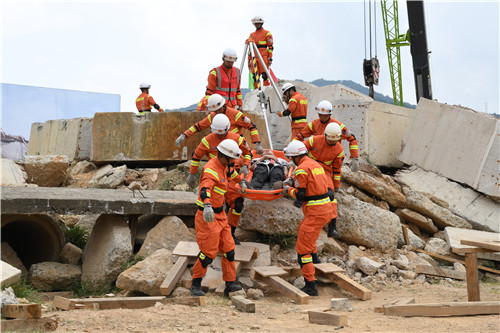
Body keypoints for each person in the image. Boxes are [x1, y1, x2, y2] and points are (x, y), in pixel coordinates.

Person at [190, 139, 244, 297]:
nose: (234, 162)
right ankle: (195, 284)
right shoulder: (210, 170)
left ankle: (230, 284)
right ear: (225, 156)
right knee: (208, 253)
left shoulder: (225, 166)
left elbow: (232, 174)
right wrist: (207, 205)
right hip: (208, 216)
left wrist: (242, 182)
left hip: (221, 215)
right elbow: (204, 189)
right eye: (232, 159)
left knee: (229, 250)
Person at [282, 140, 335, 296]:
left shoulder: (301, 169)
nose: (291, 160)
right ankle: (317, 265)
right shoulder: (315, 165)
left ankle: (311, 285)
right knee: (308, 238)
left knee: (302, 250)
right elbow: (314, 185)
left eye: (292, 158)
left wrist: (288, 189)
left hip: (315, 212)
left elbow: (301, 194)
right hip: (326, 210)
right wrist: (294, 182)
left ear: (296, 157)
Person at [175, 93, 264, 154]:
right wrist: (184, 135)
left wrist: (257, 143)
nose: (217, 112)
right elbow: (198, 126)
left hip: (237, 147)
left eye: (218, 109)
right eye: (215, 110)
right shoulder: (213, 116)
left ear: (223, 105)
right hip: (221, 149)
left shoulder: (236, 115)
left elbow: (252, 126)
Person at [186, 114, 251, 189]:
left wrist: (245, 166)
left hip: (234, 173)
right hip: (216, 174)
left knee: (235, 198)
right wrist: (192, 174)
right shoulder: (207, 141)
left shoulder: (237, 138)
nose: (220, 136)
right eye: (218, 133)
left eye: (222, 133)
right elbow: (196, 157)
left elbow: (248, 153)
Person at [303, 122, 344, 238]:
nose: (332, 142)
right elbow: (301, 148)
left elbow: (336, 169)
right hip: (309, 165)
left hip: (324, 171)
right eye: (330, 139)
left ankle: (332, 227)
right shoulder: (314, 140)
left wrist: (336, 186)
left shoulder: (339, 149)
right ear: (325, 135)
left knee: (330, 195)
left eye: (334, 140)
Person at [295, 100, 360, 172]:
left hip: (329, 164)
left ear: (330, 114)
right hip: (312, 161)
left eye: (325, 115)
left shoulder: (337, 126)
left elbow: (352, 139)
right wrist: (292, 151)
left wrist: (355, 158)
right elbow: (300, 136)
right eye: (320, 115)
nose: (322, 117)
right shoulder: (314, 124)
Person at [246, 16, 274, 88]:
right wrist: (249, 60)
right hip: (254, 57)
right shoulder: (251, 35)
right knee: (255, 76)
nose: (257, 25)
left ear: (261, 24)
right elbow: (249, 49)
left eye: (258, 23)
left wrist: (270, 58)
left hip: (263, 56)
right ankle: (256, 91)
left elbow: (270, 47)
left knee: (265, 75)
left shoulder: (267, 33)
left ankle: (266, 89)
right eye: (255, 24)